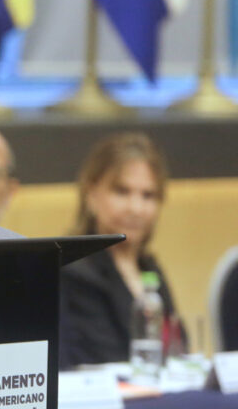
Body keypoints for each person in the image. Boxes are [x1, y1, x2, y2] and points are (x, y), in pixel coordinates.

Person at [60, 132, 186, 368]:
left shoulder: (150, 267)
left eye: (148, 195)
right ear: (92, 193)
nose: (136, 208)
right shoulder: (74, 271)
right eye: (122, 191)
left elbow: (180, 348)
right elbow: (105, 360)